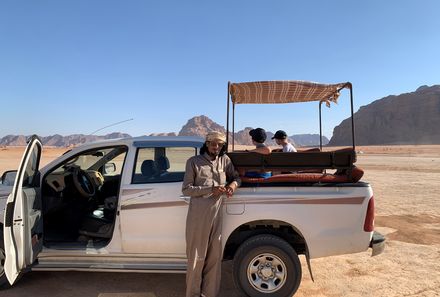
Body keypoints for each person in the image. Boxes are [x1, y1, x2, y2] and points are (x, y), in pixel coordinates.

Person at [182, 131, 240, 297]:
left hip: (218, 215)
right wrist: (210, 189)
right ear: (206, 144)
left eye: (219, 145)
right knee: (196, 258)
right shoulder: (194, 162)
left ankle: (209, 294)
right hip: (199, 216)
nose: (216, 147)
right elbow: (186, 189)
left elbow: (236, 177)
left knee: (214, 258)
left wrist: (232, 186)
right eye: (213, 144)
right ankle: (193, 294)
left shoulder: (225, 160)